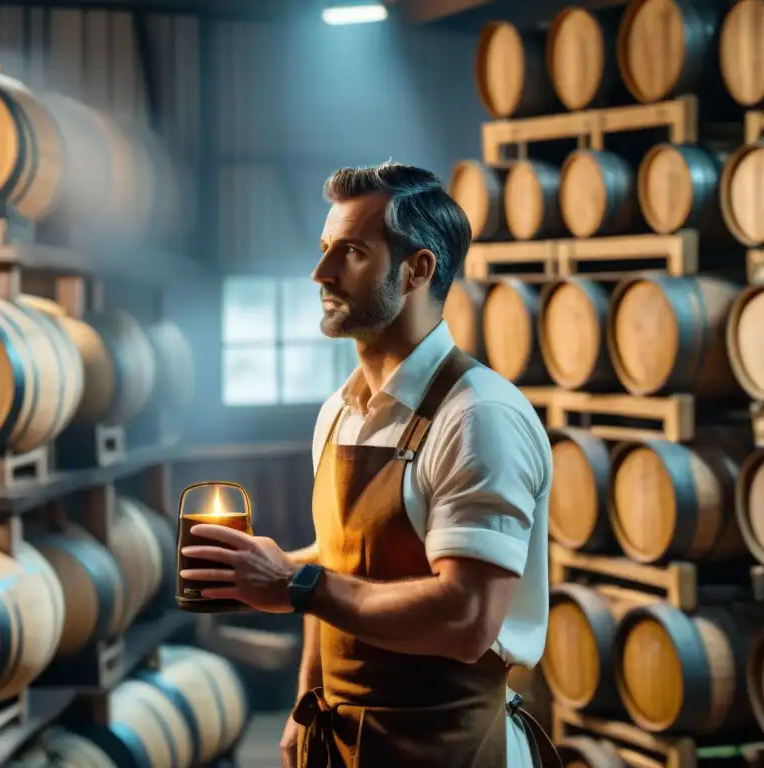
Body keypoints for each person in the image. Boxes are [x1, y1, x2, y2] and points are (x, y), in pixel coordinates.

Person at [180, 161, 558, 768]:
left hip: (450, 749)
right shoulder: (339, 410)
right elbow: (334, 569)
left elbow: (467, 618)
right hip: (343, 742)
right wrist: (308, 695)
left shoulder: (478, 416)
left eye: (350, 251)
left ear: (417, 269)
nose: (320, 272)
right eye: (326, 247)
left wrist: (296, 582)